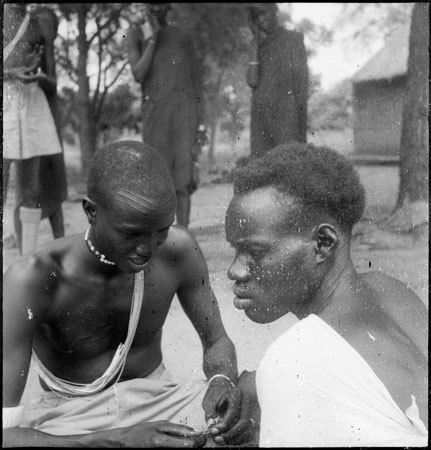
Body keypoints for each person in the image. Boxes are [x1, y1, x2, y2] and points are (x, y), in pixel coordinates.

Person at [3, 140, 255, 447]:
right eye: (130, 233)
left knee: (251, 415)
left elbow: (216, 340)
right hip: (70, 422)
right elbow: (6, 434)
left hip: (164, 403)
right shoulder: (33, 277)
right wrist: (121, 439)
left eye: (160, 230)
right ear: (91, 212)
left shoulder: (179, 250)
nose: (147, 249)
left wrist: (221, 380)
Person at [225, 141, 428, 446]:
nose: (235, 271)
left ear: (323, 243)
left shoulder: (290, 361)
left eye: (254, 251)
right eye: (235, 250)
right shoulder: (389, 290)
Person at [127, 3, 206, 228]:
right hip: (155, 117)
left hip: (184, 117)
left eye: (162, 6)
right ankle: (160, 239)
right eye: (153, 7)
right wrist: (152, 39)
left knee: (183, 182)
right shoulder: (135, 35)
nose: (158, 10)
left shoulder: (182, 37)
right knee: (158, 181)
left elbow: (197, 83)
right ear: (145, 8)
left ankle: (183, 237)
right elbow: (138, 73)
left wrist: (200, 123)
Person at [3, 4, 67, 255]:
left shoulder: (37, 22)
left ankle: (25, 258)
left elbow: (51, 81)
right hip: (6, 103)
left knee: (29, 190)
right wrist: (10, 73)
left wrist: (35, 75)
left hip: (31, 108)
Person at [246, 4, 308, 158]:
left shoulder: (293, 39)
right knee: (262, 169)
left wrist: (300, 124)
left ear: (274, 12)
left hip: (286, 117)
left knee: (287, 165)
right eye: (256, 17)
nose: (261, 19)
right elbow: (252, 82)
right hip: (261, 120)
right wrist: (254, 49)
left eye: (264, 13)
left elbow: (301, 85)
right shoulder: (258, 47)